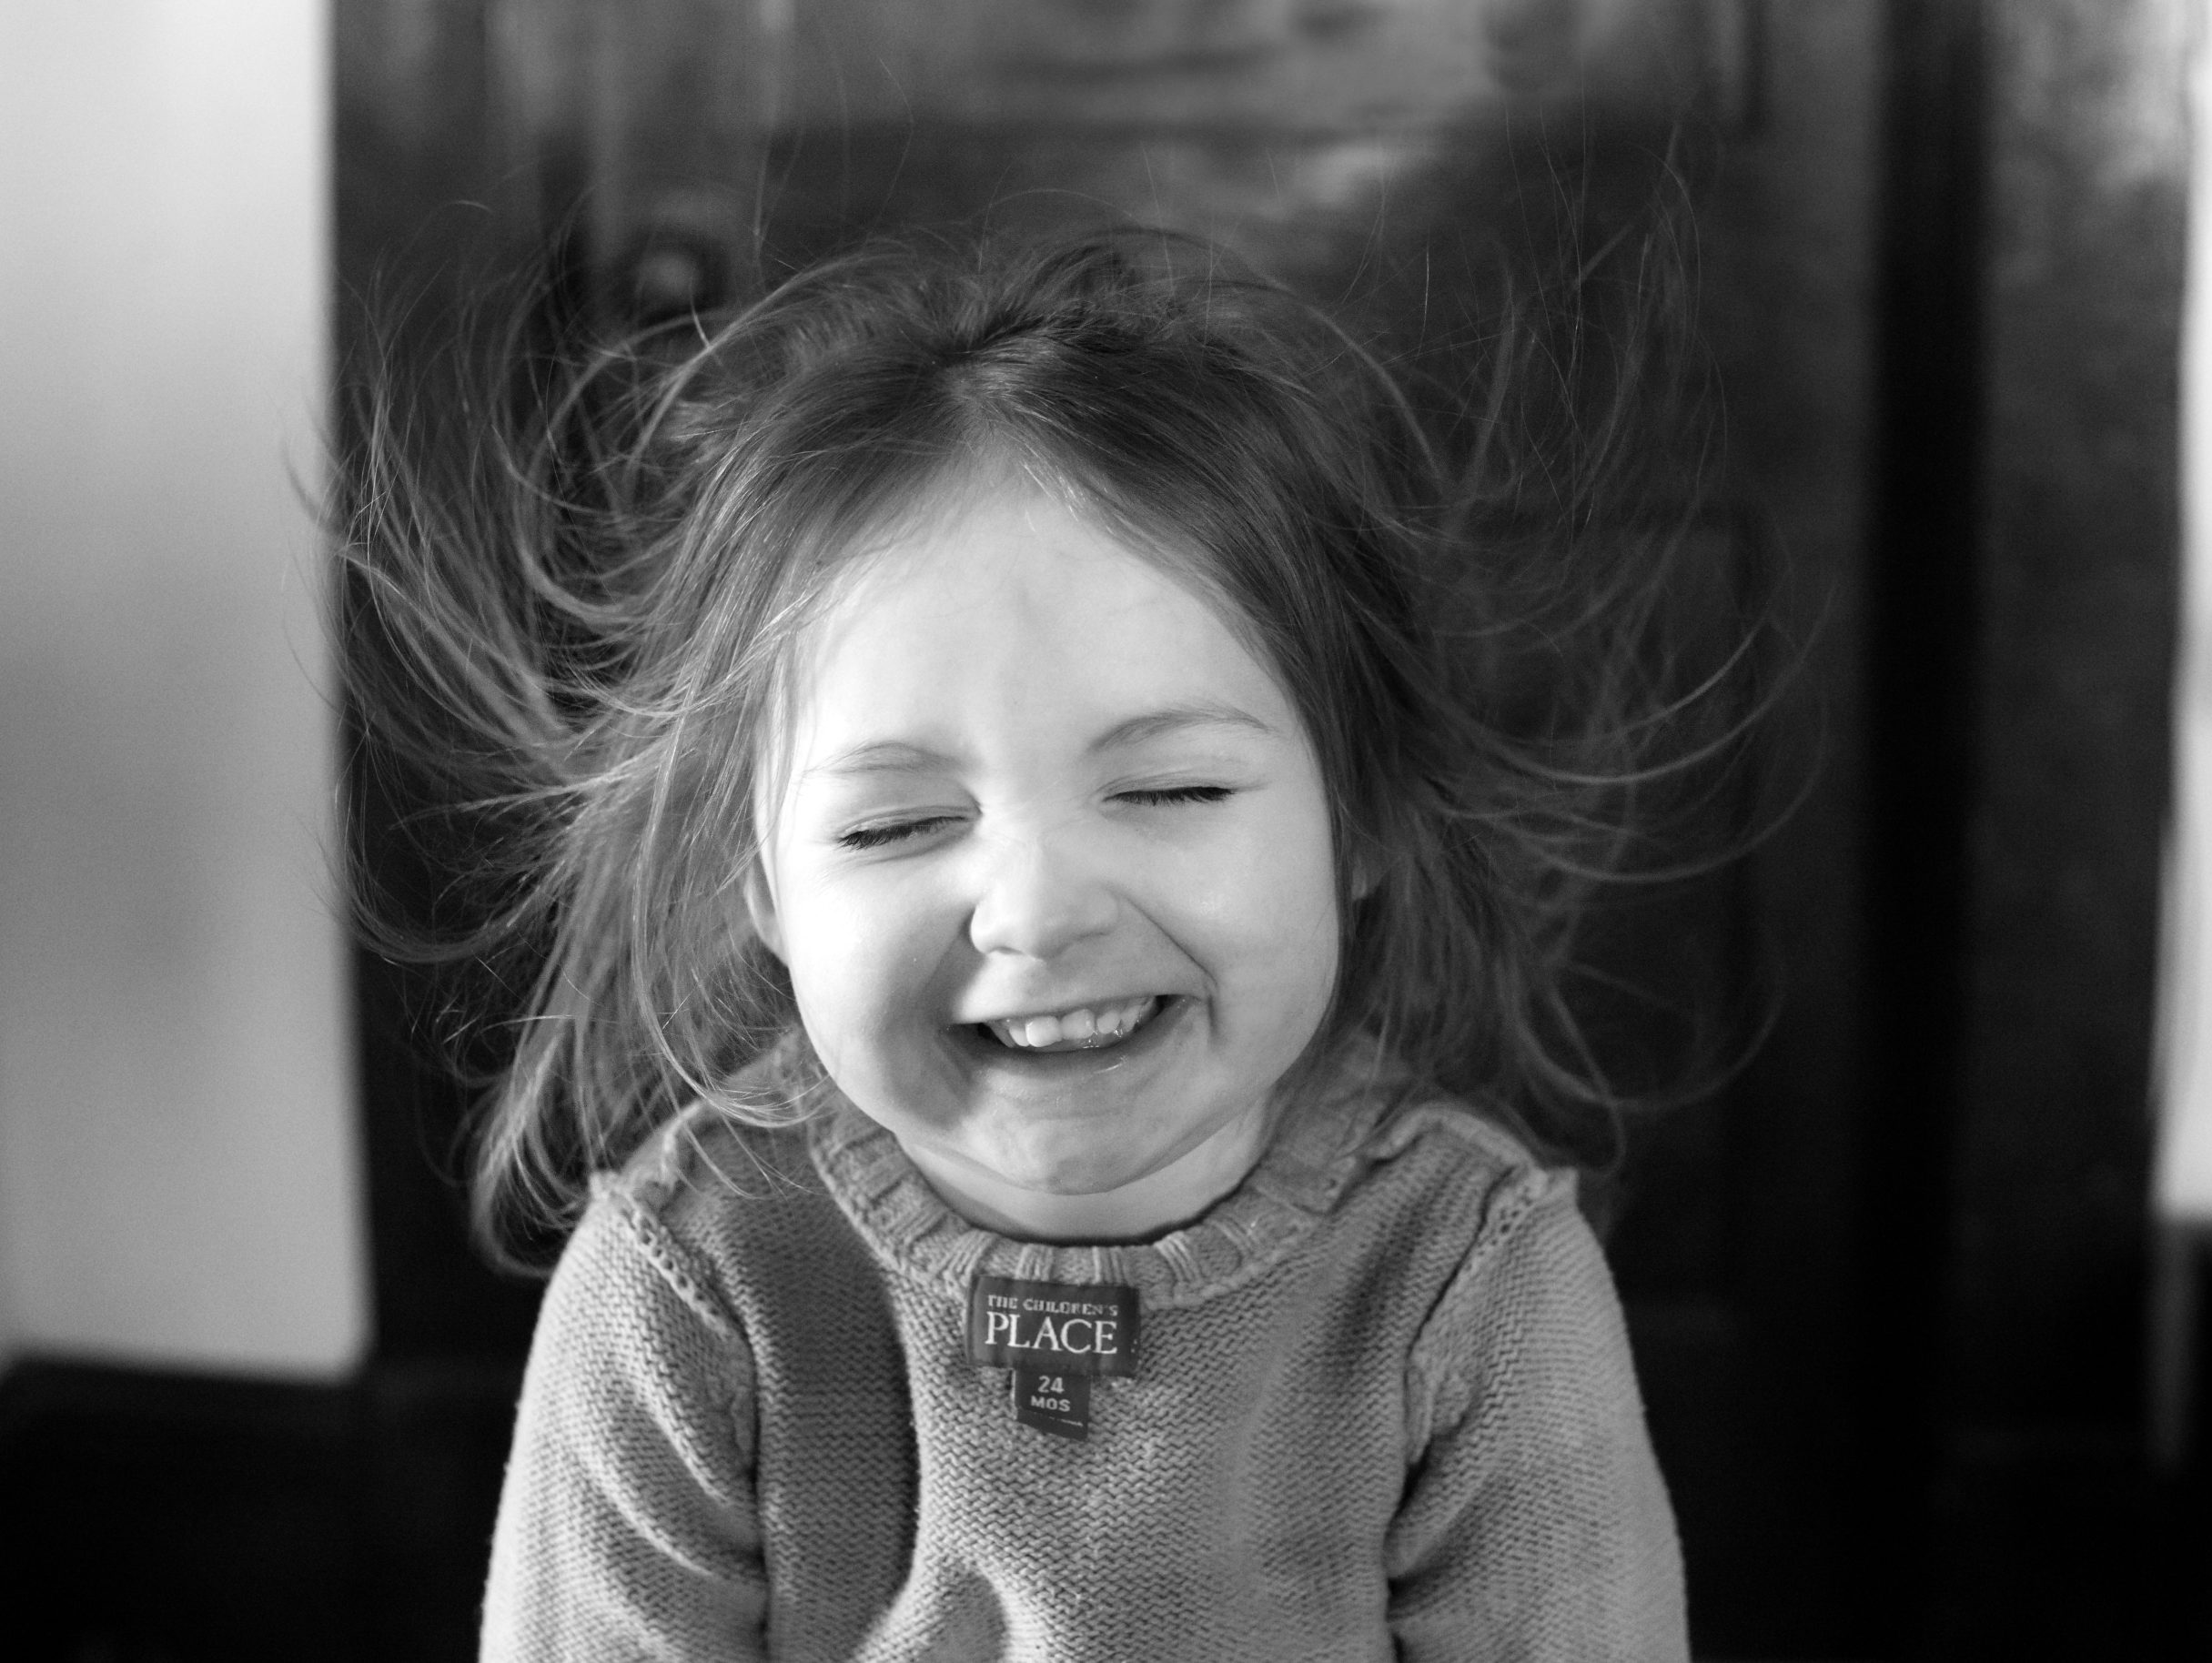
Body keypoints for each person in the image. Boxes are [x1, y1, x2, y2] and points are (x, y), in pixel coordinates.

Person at [343, 227, 1706, 1659]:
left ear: (1359, 813)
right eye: (894, 826)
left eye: (1170, 789)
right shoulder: (691, 1288)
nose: (1041, 911)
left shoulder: (1469, 1282)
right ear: (759, 883)